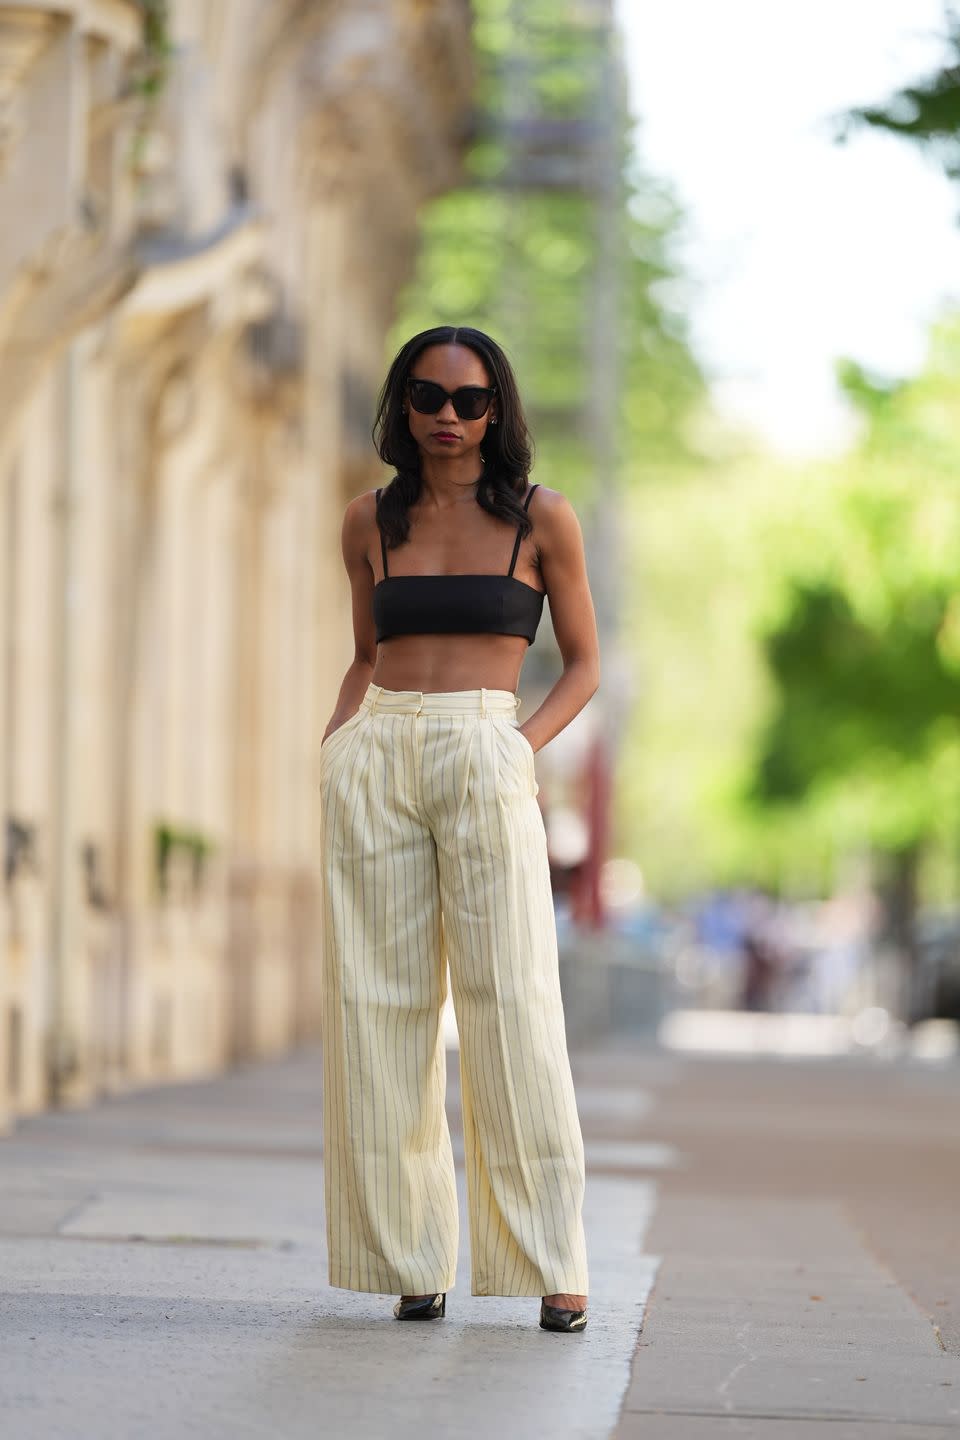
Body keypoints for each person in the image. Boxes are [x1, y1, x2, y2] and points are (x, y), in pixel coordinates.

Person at [318, 324, 600, 1333]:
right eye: (429, 398)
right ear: (401, 407)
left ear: (498, 410)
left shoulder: (541, 520)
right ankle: (411, 1255)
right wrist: (340, 739)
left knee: (511, 1000)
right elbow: (365, 650)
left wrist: (522, 746)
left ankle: (550, 1259)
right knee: (375, 1005)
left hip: (488, 750)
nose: (448, 417)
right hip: (380, 750)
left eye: (470, 400)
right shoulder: (367, 520)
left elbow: (582, 667)